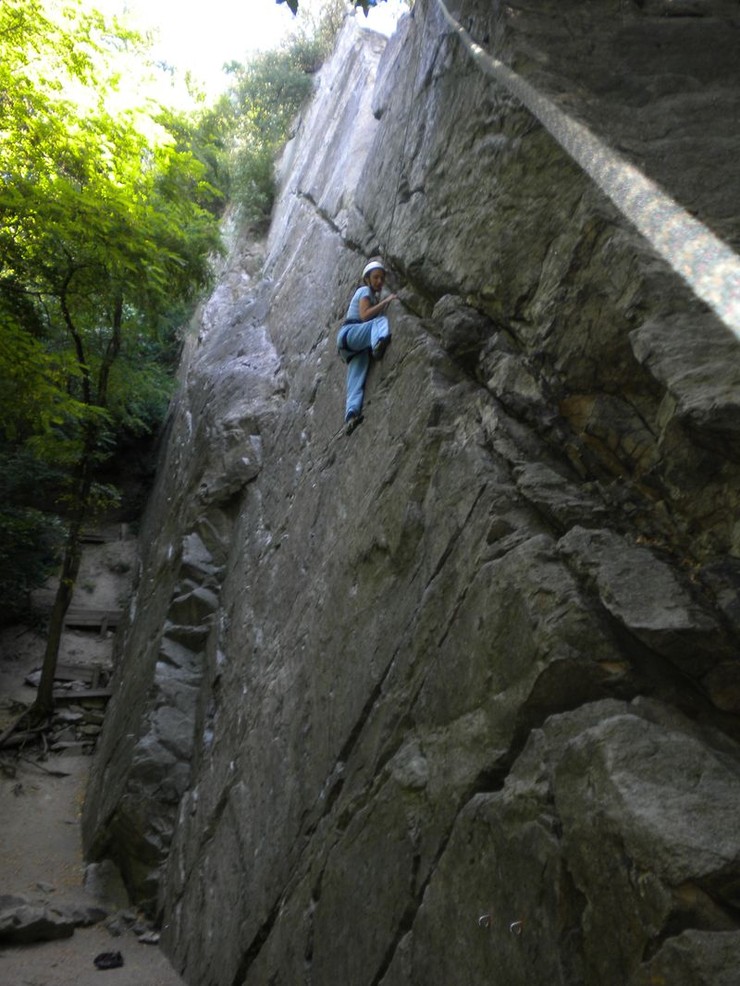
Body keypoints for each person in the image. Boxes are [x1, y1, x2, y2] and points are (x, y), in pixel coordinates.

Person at [336, 259, 398, 435]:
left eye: (382, 278)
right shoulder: (364, 291)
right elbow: (364, 316)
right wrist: (386, 301)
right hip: (350, 333)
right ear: (367, 279)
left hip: (351, 347)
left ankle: (351, 415)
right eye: (376, 277)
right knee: (379, 322)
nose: (379, 281)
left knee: (356, 377)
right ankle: (378, 343)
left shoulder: (369, 294)